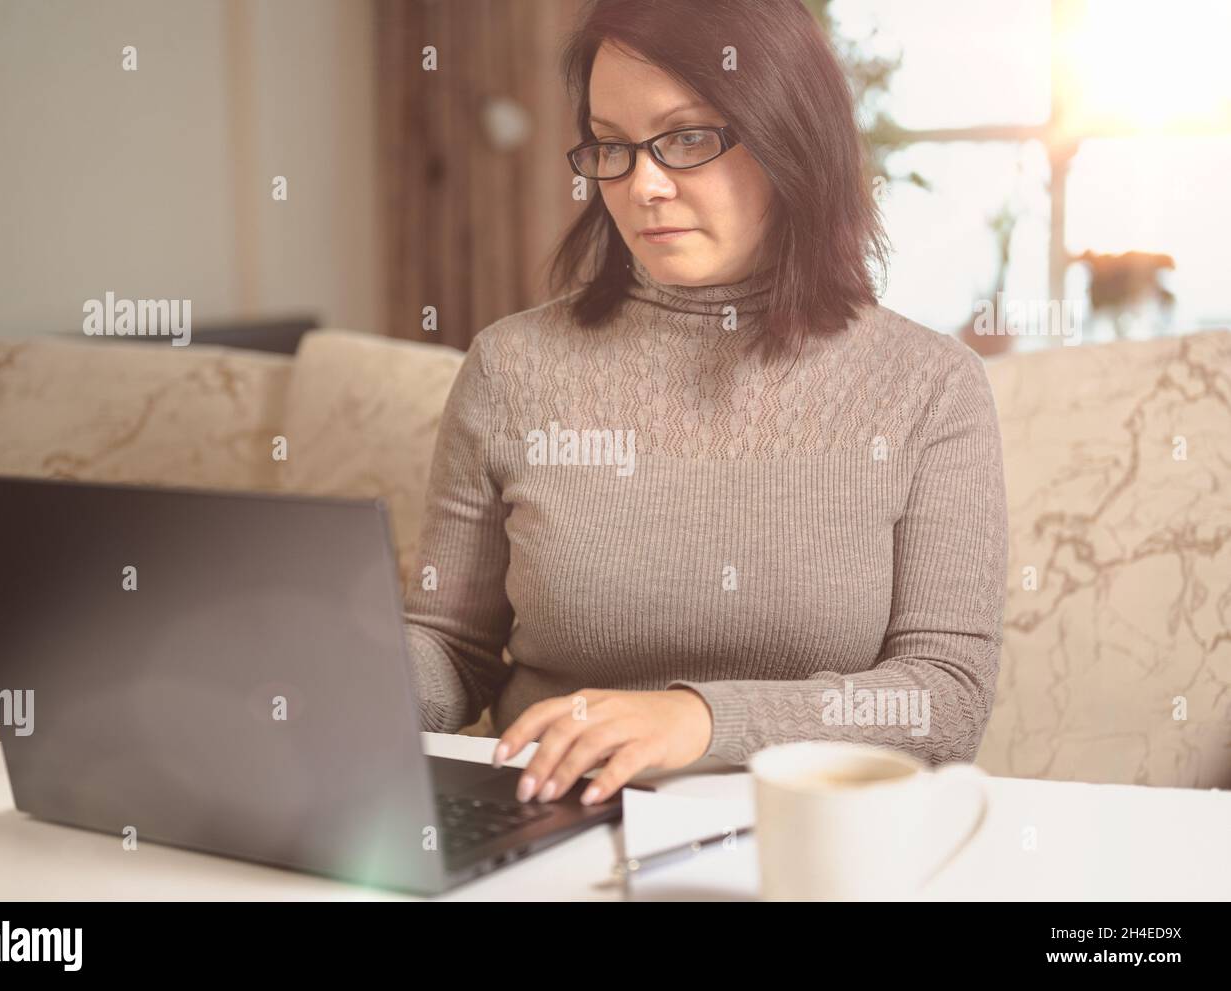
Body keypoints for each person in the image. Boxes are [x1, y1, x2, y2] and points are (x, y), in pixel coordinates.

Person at [403, 0, 1008, 808]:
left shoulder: (930, 387)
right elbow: (451, 645)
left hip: (808, 832)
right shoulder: (512, 367)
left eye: (687, 138)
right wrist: (338, 679)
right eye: (612, 146)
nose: (643, 185)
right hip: (547, 820)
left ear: (790, 138)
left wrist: (700, 718)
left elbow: (944, 696)